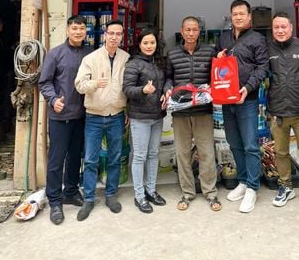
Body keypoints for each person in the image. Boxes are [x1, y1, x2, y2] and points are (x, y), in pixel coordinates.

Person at [216, 0, 269, 213]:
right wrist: (219, 58)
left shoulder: (257, 38)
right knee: (234, 143)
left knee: (250, 145)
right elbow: (217, 65)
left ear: (249, 16)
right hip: (227, 99)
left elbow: (263, 67)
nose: (238, 17)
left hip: (247, 99)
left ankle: (253, 188)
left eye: (241, 13)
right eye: (234, 13)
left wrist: (247, 88)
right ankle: (243, 181)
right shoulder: (224, 37)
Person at [165, 16, 221, 212]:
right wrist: (167, 89)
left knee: (206, 153)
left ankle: (210, 193)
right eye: (187, 30)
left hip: (203, 111)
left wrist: (214, 86)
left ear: (199, 32)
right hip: (180, 112)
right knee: (183, 154)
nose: (191, 33)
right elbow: (168, 77)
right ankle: (187, 193)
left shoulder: (209, 52)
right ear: (182, 31)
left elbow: (216, 77)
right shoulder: (172, 54)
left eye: (194, 30)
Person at [74, 19, 128, 221]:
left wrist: (128, 110)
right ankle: (89, 198)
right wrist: (95, 83)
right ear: (105, 34)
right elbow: (79, 85)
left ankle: (110, 194)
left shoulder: (126, 58)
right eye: (111, 33)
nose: (114, 37)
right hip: (94, 116)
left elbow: (129, 86)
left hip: (117, 115)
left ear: (122, 36)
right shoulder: (91, 58)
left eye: (118, 34)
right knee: (90, 159)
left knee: (114, 157)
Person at [39, 14, 90, 225]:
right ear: (68, 30)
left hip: (82, 115)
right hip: (60, 116)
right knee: (56, 160)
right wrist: (53, 100)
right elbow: (44, 82)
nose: (78, 32)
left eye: (81, 28)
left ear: (86, 31)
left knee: (75, 157)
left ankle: (71, 191)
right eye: (74, 28)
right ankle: (55, 201)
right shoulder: (55, 54)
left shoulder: (90, 53)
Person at [267, 11, 299, 211]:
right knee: (280, 152)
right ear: (272, 29)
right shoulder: (267, 47)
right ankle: (285, 186)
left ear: (291, 27)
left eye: (283, 27)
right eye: (276, 27)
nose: (280, 30)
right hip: (278, 111)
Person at [123, 28, 167, 214]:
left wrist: (166, 91)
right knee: (140, 156)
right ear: (139, 44)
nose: (149, 46)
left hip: (157, 116)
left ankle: (151, 190)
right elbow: (127, 89)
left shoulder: (159, 62)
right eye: (145, 43)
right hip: (140, 117)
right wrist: (143, 90)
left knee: (154, 154)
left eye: (152, 42)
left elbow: (167, 81)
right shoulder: (133, 64)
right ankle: (139, 195)